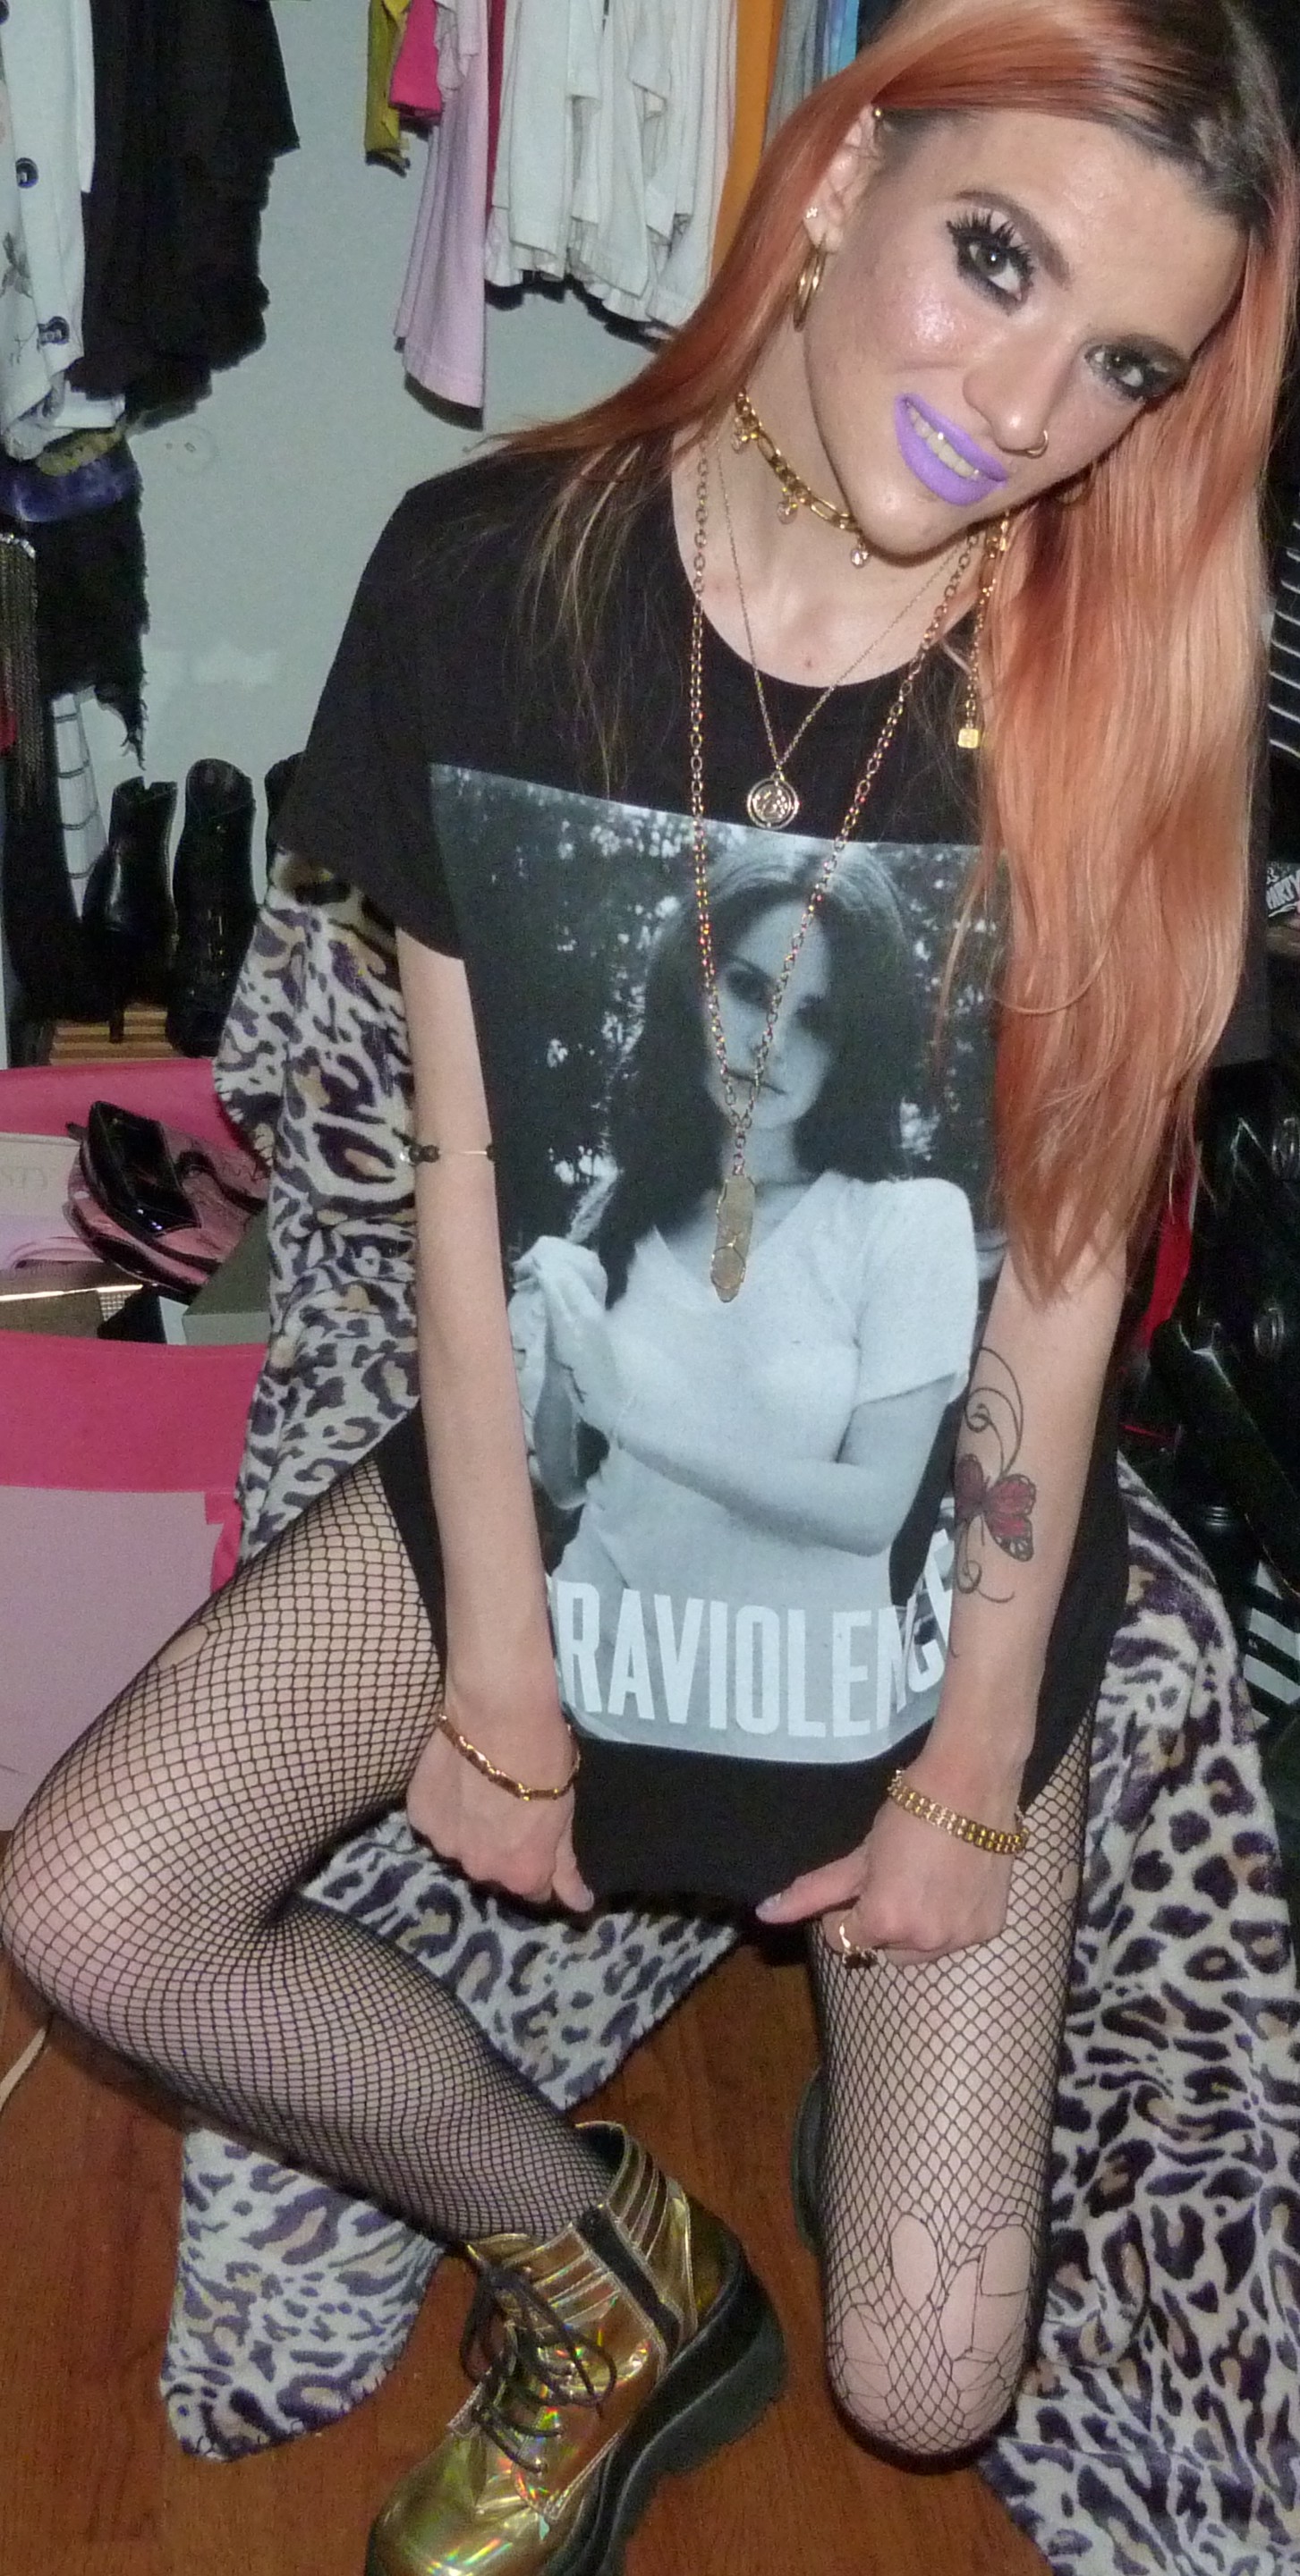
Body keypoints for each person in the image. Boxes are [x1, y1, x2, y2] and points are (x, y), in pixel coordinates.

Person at [1, 2, 1294, 2569]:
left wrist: (959, 1774)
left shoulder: (1128, 685)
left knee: (924, 2376)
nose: (1023, 405)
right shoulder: (490, 578)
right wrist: (498, 1654)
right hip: (572, 1443)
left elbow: (1053, 1307)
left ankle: (884, 2096)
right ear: (836, 177)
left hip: (930, 1548)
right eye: (995, 259)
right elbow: (467, 1170)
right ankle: (599, 2263)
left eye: (1121, 363)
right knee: (88, 1907)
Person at [507, 839, 981, 1853]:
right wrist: (565, 1348)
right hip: (596, 1696)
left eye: (815, 1019)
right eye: (750, 989)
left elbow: (870, 1510)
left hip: (800, 1718)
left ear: (855, 1047)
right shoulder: (618, 1215)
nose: (767, 1041)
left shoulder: (903, 1224)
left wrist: (632, 1418)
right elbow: (567, 1483)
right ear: (694, 988)